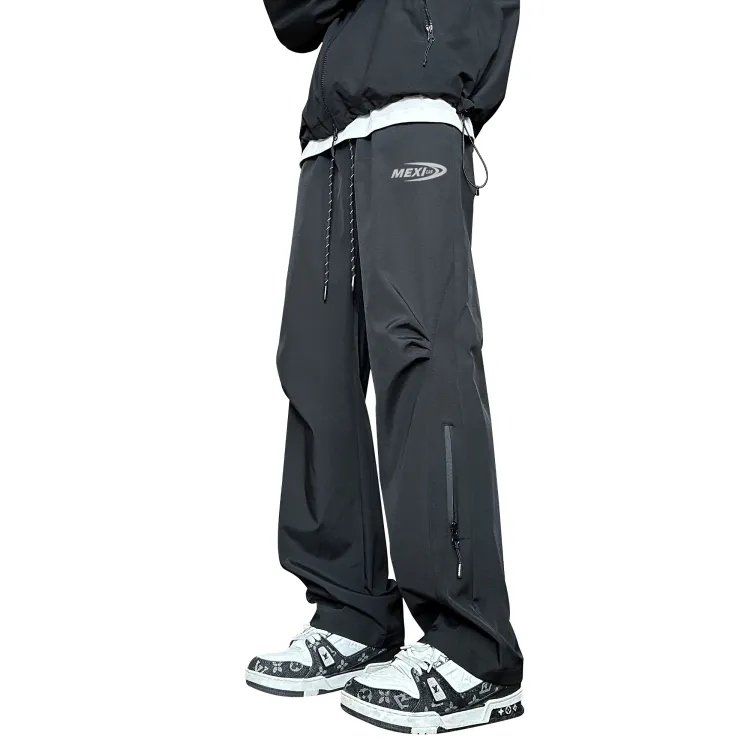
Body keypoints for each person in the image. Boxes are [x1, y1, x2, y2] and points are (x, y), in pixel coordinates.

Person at [245, 0, 524, 734]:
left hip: (419, 99)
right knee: (315, 365)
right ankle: (352, 611)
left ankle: (472, 645)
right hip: (331, 131)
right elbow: (292, 18)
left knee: (424, 357)